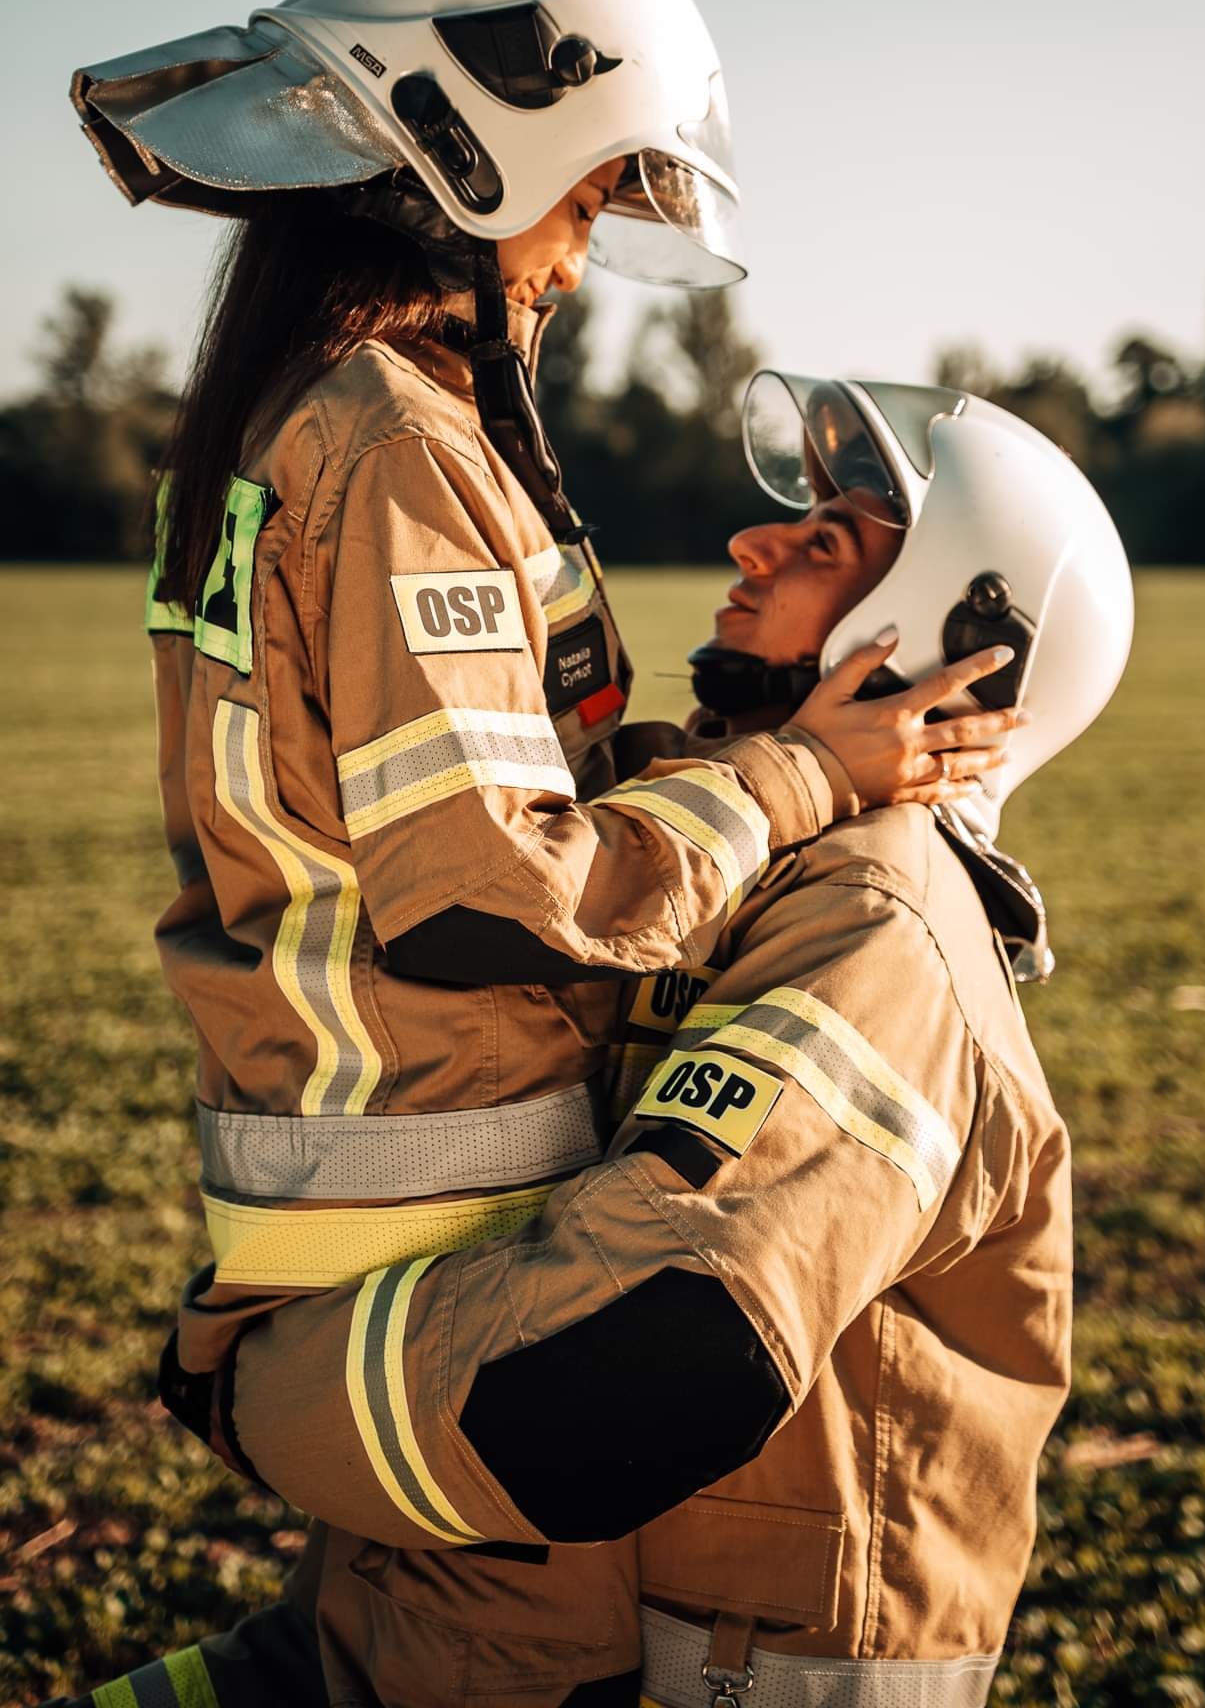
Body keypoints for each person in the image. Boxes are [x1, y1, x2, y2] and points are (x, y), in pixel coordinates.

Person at [52, 0, 1016, 1707]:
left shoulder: (320, 418)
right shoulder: (393, 440)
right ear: (472, 151)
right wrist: (802, 775)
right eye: (588, 194)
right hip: (441, 1235)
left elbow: (506, 807)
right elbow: (491, 890)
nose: (581, 254)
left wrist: (750, 765)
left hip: (367, 1221)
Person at [62, 373, 1130, 1707]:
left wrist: (256, 1392)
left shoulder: (876, 927)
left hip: (701, 1670)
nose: (755, 542)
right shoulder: (722, 834)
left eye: (826, 541)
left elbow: (637, 1369)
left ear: (950, 644)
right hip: (444, 1626)